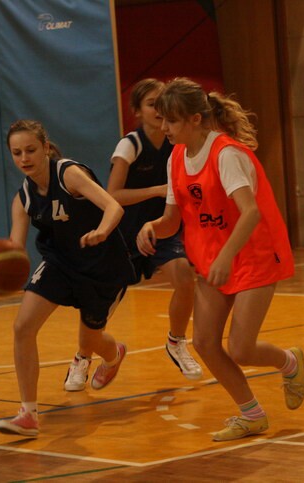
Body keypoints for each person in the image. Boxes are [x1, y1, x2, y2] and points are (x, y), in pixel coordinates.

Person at [136, 78, 304, 441]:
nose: (164, 128)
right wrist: (151, 226)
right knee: (204, 342)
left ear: (195, 119)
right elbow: (172, 221)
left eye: (172, 121)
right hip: (215, 259)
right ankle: (252, 415)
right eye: (162, 120)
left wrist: (227, 256)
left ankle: (289, 362)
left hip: (254, 255)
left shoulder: (226, 155)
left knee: (241, 348)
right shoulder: (176, 157)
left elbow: (250, 213)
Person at [0, 120, 136, 437]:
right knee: (22, 327)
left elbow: (114, 206)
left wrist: (101, 231)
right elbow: (16, 249)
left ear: (45, 148)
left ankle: (113, 355)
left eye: (30, 150)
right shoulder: (23, 198)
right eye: (16, 153)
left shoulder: (68, 173)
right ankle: (28, 414)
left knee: (90, 342)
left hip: (103, 266)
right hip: (60, 264)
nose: (24, 158)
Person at [64, 79, 201, 392]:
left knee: (184, 277)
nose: (158, 110)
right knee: (99, 312)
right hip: (122, 235)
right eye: (152, 104)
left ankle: (177, 341)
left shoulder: (178, 143)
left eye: (162, 103)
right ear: (137, 111)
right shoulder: (131, 145)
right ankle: (83, 356)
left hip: (160, 229)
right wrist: (156, 190)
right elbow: (112, 194)